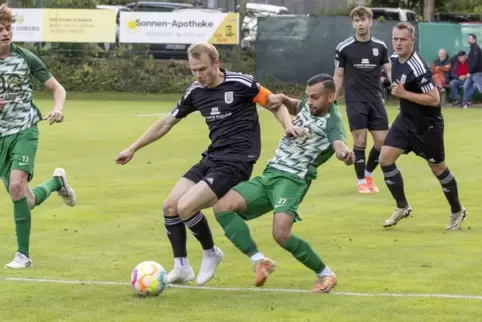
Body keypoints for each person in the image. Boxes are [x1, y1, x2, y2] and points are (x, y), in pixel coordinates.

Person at [115, 42, 297, 286]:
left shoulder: (241, 83)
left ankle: (211, 253)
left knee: (186, 207)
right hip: (212, 157)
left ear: (216, 64)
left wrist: (288, 126)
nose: (198, 75)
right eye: (193, 70)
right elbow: (167, 122)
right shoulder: (195, 92)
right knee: (170, 207)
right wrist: (133, 148)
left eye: (202, 69)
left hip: (237, 161)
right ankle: (181, 267)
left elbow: (275, 103)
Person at [213, 74, 354, 293]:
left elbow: (339, 144)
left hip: (293, 180)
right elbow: (297, 105)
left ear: (330, 97)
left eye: (316, 97)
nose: (311, 101)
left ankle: (325, 274)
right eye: (309, 96)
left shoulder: (332, 122)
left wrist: (345, 154)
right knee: (222, 207)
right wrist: (284, 99)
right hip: (270, 174)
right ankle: (260, 260)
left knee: (281, 234)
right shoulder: (309, 105)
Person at [0, 4, 76, 269]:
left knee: (16, 186)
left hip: (25, 129)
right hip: (0, 138)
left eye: (8, 28)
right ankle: (57, 183)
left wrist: (57, 109)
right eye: (0, 29)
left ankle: (23, 255)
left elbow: (57, 88)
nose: (5, 33)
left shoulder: (26, 58)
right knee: (26, 200)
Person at [381, 22, 466, 230]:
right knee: (385, 159)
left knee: (437, 168)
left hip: (427, 126)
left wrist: (404, 94)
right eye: (395, 39)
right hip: (405, 121)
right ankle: (402, 206)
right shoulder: (393, 59)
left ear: (412, 41)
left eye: (403, 39)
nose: (398, 43)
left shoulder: (418, 65)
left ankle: (457, 211)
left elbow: (435, 99)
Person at [333, 6, 392, 195]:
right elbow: (338, 76)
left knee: (382, 142)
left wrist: (400, 86)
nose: (360, 24)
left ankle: (368, 173)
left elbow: (390, 71)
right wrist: (332, 99)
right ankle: (361, 181)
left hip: (375, 99)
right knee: (360, 139)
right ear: (353, 24)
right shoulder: (344, 48)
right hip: (355, 100)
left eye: (363, 20)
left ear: (370, 22)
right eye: (357, 21)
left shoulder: (380, 47)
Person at [461, 34, 482, 109]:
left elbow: (475, 62)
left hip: (476, 73)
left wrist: (470, 71)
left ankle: (465, 102)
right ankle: (465, 103)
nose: (468, 40)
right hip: (472, 73)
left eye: (470, 38)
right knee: (465, 87)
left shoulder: (476, 48)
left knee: (480, 89)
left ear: (474, 40)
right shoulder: (472, 48)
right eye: (468, 38)